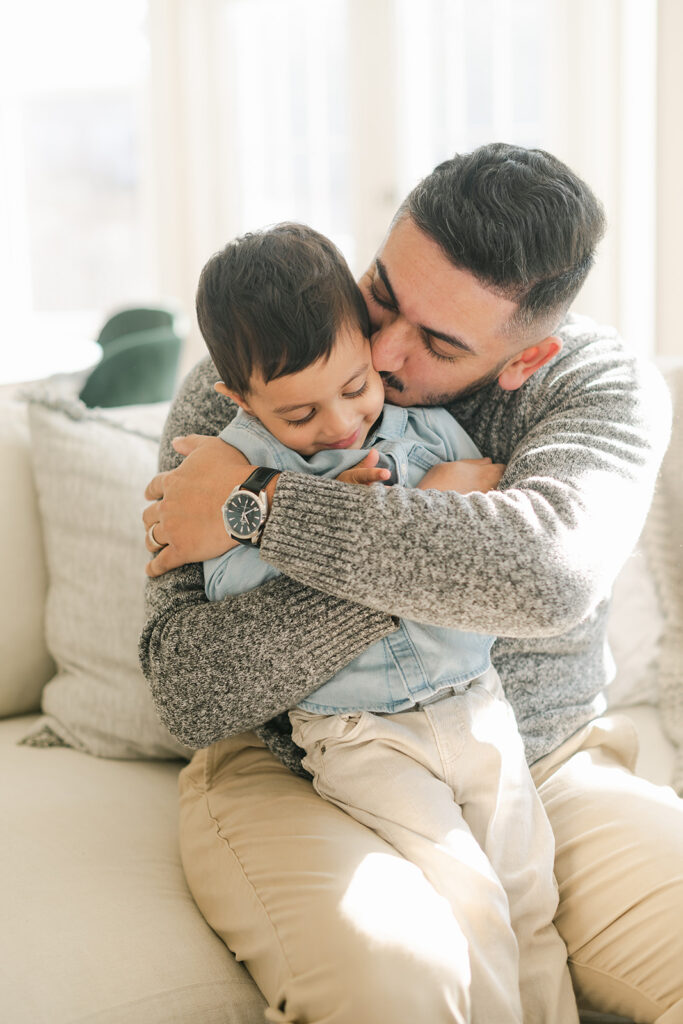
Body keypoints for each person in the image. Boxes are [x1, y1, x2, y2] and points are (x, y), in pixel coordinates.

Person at [140, 144, 682, 1023]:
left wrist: (258, 510)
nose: (381, 355)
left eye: (435, 341)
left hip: (541, 761)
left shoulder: (593, 386)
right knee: (404, 981)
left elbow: (546, 577)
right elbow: (190, 686)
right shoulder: (256, 383)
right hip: (302, 769)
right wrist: (443, 523)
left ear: (522, 358)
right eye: (381, 293)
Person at [195, 220, 578, 1023]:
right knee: (468, 898)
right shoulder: (224, 464)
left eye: (355, 387)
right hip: (357, 732)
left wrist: (373, 519)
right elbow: (231, 598)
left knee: (526, 891)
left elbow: (492, 519)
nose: (338, 424)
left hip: (471, 701)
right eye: (297, 415)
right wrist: (331, 512)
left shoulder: (419, 427)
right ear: (241, 400)